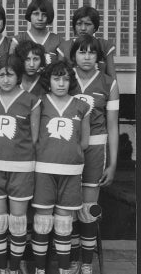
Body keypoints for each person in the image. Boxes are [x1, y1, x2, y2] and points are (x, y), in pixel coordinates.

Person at [0, 55, 40, 274]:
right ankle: (2, 267)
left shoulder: (32, 100)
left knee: (17, 220)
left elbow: (34, 138)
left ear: (19, 75)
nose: (6, 79)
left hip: (22, 166)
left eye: (10, 74)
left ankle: (14, 268)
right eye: (1, 75)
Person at [31, 61, 90, 274]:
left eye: (66, 79)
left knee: (64, 224)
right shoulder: (40, 103)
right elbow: (34, 137)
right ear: (48, 81)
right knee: (43, 222)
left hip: (71, 170)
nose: (61, 83)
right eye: (57, 78)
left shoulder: (81, 105)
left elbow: (84, 141)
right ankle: (39, 270)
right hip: (44, 169)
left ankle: (64, 270)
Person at [68, 35, 119, 274]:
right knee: (69, 207)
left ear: (98, 56)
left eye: (91, 52)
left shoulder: (109, 82)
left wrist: (113, 163)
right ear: (73, 55)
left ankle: (87, 264)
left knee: (88, 208)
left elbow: (112, 126)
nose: (86, 56)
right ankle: (73, 261)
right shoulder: (66, 80)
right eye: (81, 52)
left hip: (97, 150)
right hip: (68, 148)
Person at [62, 6, 116, 78]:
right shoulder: (65, 46)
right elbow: (59, 74)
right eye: (79, 24)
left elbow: (112, 77)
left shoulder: (105, 45)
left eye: (88, 24)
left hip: (100, 88)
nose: (83, 28)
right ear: (74, 26)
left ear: (95, 27)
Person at [11, 0, 65, 64]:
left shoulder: (58, 41)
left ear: (49, 17)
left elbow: (61, 69)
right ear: (29, 15)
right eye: (36, 14)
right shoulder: (18, 40)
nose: (40, 18)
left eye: (44, 15)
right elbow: (12, 68)